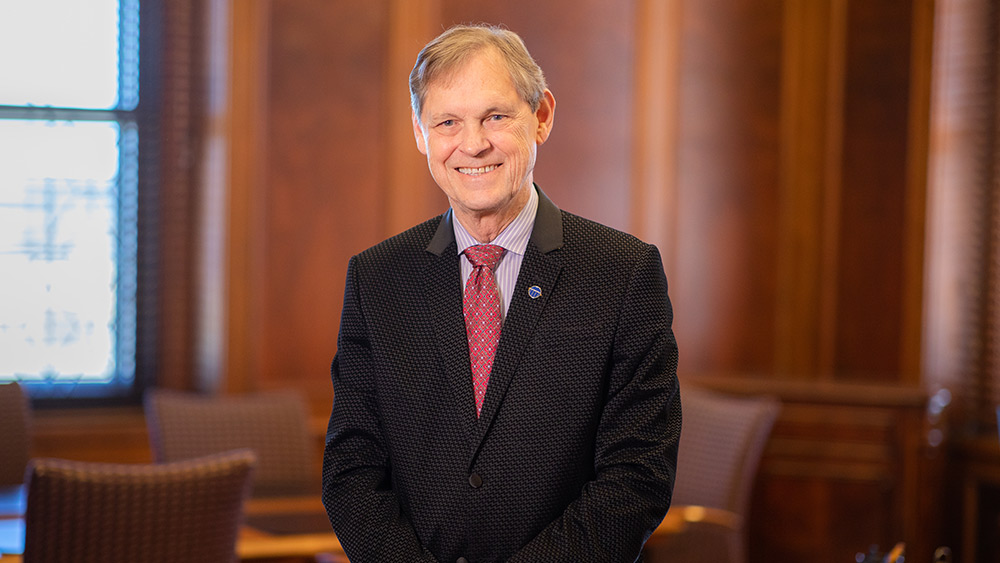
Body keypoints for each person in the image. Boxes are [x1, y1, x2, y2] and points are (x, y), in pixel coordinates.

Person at [322, 23, 681, 563]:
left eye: (495, 116)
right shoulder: (378, 280)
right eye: (447, 122)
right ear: (421, 134)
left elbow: (637, 476)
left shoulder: (623, 273)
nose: (473, 144)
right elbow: (352, 471)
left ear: (541, 117)